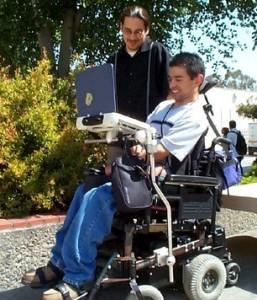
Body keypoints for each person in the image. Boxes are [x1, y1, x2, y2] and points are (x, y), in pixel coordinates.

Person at [22, 52, 208, 300]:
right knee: (84, 190)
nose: (172, 85)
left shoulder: (195, 116)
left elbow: (162, 151)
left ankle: (77, 277)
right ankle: (58, 263)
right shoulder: (163, 107)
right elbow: (141, 135)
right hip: (140, 171)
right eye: (170, 78)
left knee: (98, 196)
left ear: (198, 80)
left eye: (179, 79)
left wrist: (142, 149)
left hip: (164, 181)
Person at [105, 5, 170, 172]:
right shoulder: (113, 60)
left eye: (138, 32)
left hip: (150, 141)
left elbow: (171, 94)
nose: (132, 37)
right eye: (127, 31)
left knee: (144, 192)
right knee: (112, 188)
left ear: (147, 30)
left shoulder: (158, 53)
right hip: (118, 142)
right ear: (120, 28)